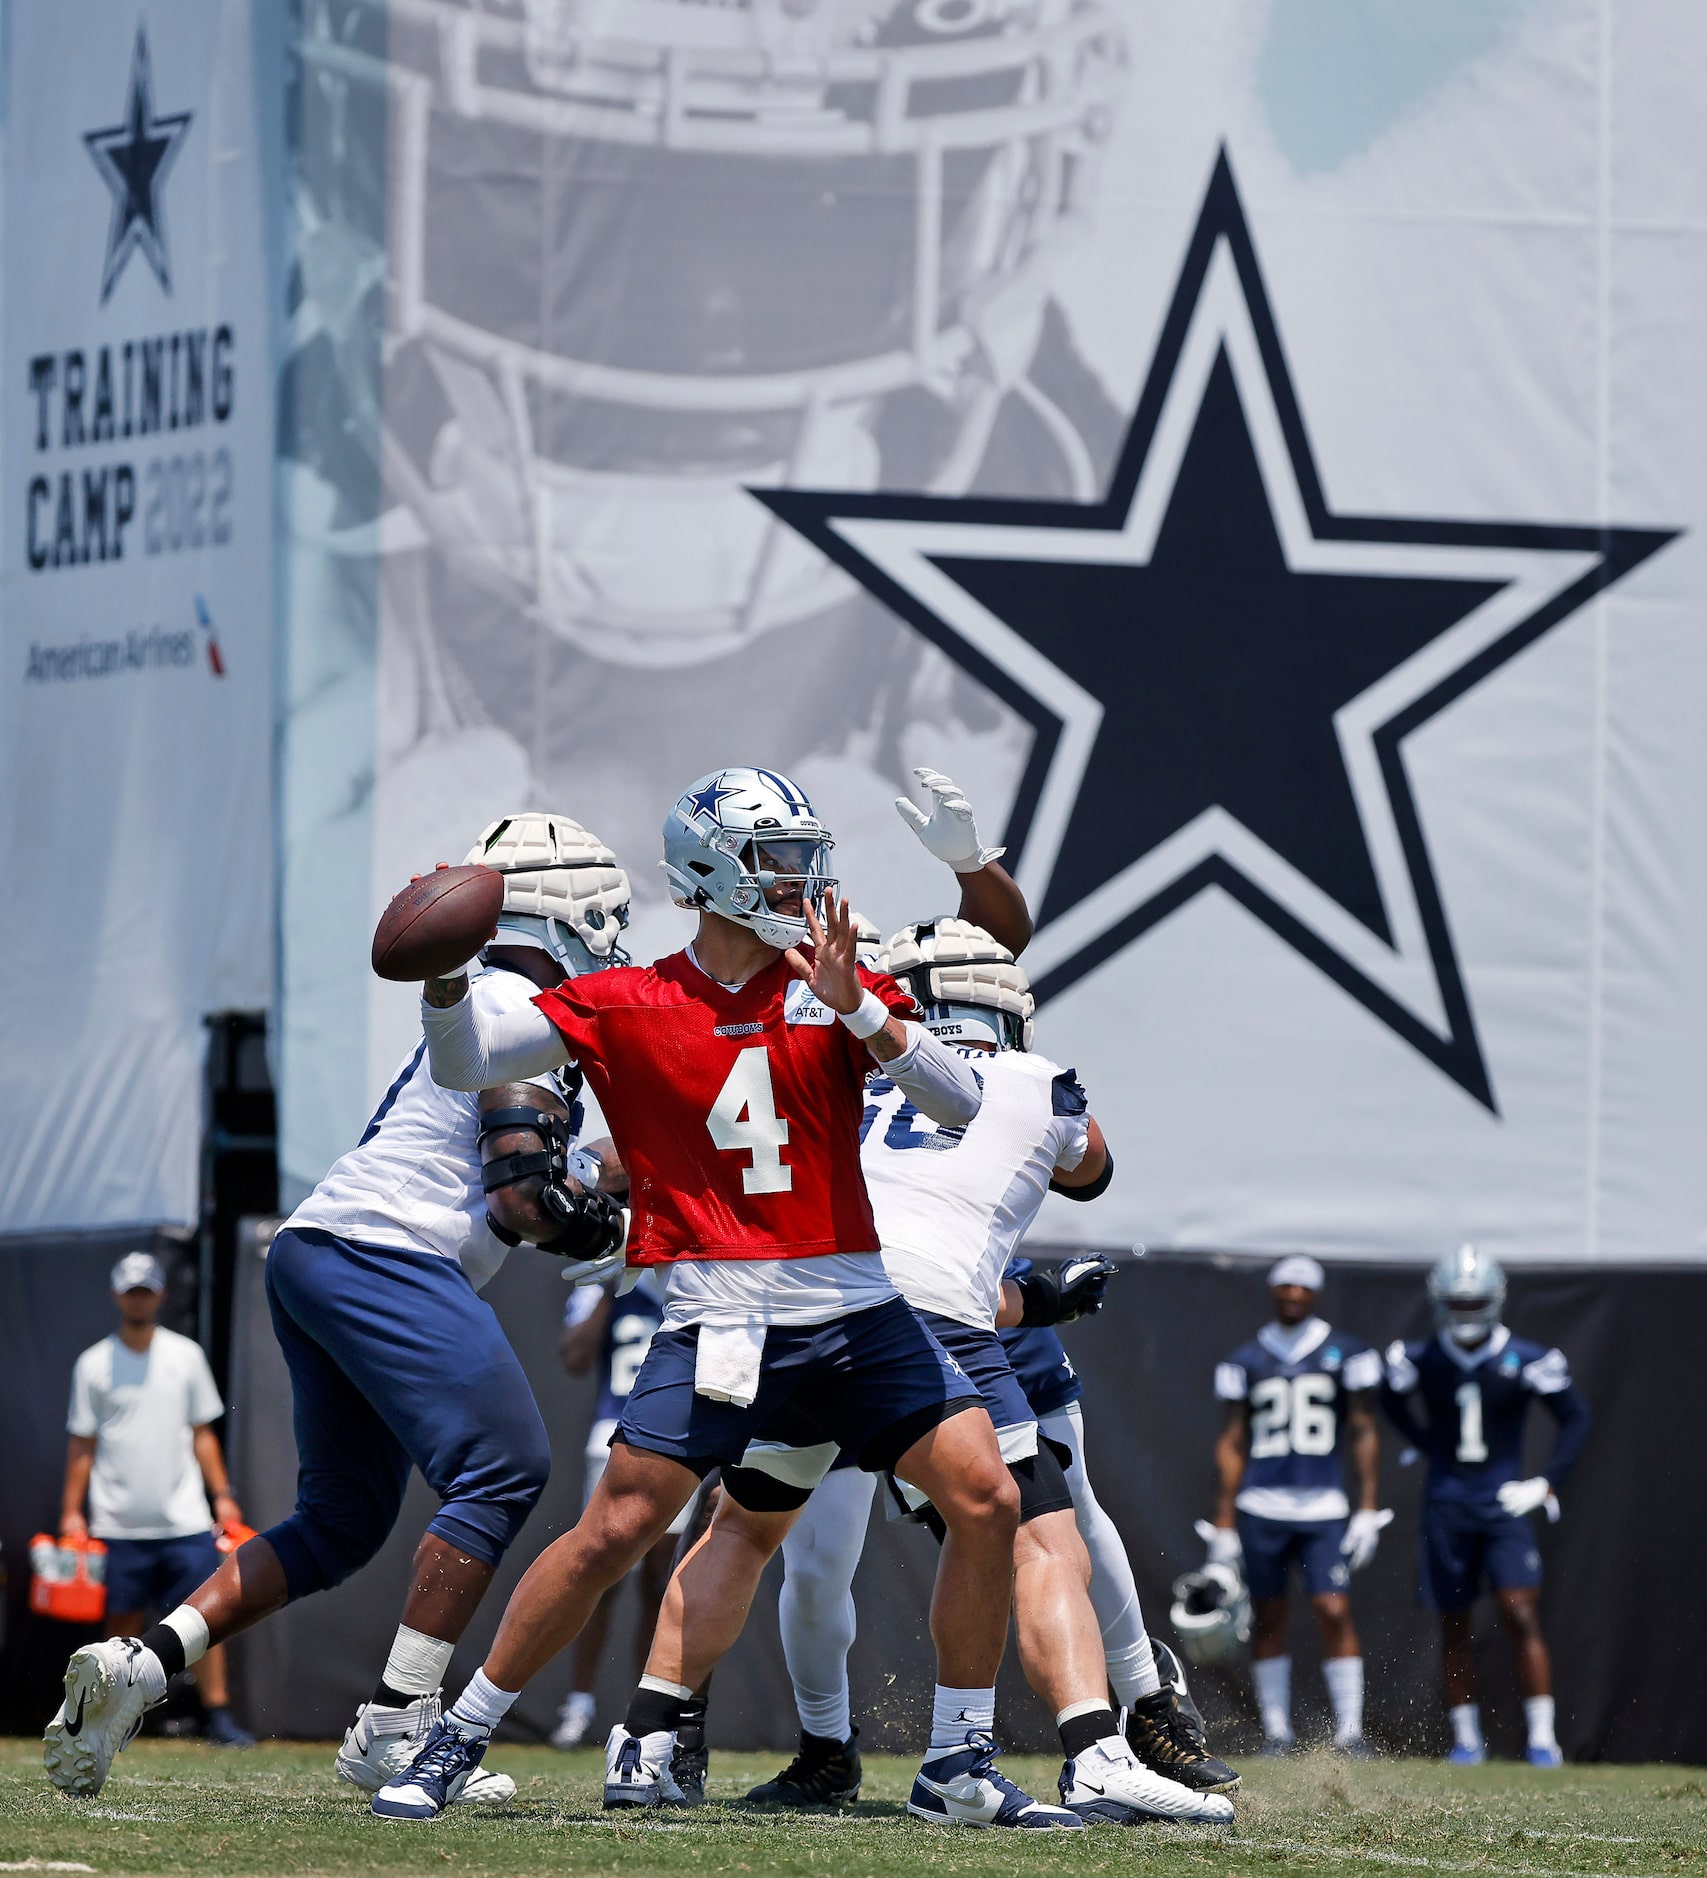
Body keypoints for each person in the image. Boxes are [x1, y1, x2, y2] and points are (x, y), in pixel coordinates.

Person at [372, 765, 1084, 1830]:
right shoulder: (626, 999)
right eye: (778, 858)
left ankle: (957, 1760)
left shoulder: (831, 979)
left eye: (804, 854)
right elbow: (471, 1056)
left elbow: (960, 1096)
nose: (803, 878)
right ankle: (455, 1736)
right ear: (711, 870)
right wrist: (440, 982)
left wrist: (862, 1016)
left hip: (855, 1309)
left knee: (986, 1498)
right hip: (721, 1317)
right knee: (616, 1531)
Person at [44, 814, 633, 1802]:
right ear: (565, 901)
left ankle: (142, 1667)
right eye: (611, 905)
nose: (620, 926)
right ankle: (398, 1729)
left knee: (343, 1521)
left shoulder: (493, 998)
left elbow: (529, 1157)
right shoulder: (525, 997)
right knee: (505, 1465)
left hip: (319, 1249)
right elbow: (521, 1194)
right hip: (384, 1252)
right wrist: (608, 1232)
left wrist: (621, 1176)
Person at [605, 918, 1235, 1826]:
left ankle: (651, 1739)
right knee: (1037, 1531)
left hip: (812, 1302)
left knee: (745, 1531)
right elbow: (1088, 1167)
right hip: (935, 1315)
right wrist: (1043, 1295)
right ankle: (1078, 1751)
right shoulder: (1040, 1080)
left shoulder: (835, 1061)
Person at [1382, 1244, 1591, 1768]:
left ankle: (1544, 1738)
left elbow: (1576, 1416)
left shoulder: (1525, 1357)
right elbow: (1389, 1399)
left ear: (1495, 1301)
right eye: (1458, 1302)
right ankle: (1466, 1740)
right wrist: (1427, 1442)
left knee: (1520, 1613)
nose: (1466, 1313)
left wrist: (1546, 1483)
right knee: (1454, 1622)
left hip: (1502, 1502)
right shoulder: (1423, 1356)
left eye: (1475, 1303)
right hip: (1448, 1501)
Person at [56, 1252, 253, 1751]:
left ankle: (218, 1717)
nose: (139, 1298)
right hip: (117, 1522)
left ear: (160, 1294)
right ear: (117, 1295)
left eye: (147, 1290)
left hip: (184, 1519)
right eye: (131, 1290)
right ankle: (111, 1720)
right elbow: (82, 1445)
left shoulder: (185, 1355)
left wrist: (222, 1497)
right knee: (119, 1630)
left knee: (205, 1621)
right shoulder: (93, 1364)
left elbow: (202, 1434)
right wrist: (71, 1511)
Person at [1205, 1257, 1387, 1756]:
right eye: (1283, 1285)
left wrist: (1367, 1507)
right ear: (1272, 1291)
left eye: (1301, 1287)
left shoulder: (1345, 1353)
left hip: (1322, 1504)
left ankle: (1350, 1731)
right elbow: (1232, 1440)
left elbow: (1364, 1429)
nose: (1292, 1293)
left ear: (1316, 1294)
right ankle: (1277, 1732)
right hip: (1262, 1503)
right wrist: (1224, 1522)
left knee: (1333, 1607)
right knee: (1268, 1615)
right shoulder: (1245, 1359)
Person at [549, 1268, 695, 1750]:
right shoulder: (600, 1279)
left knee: (661, 1581)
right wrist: (615, 1281)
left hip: (678, 1439)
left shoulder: (691, 1273)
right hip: (612, 1434)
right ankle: (578, 1702)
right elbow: (574, 1356)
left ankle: (647, 1712)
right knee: (601, 1574)